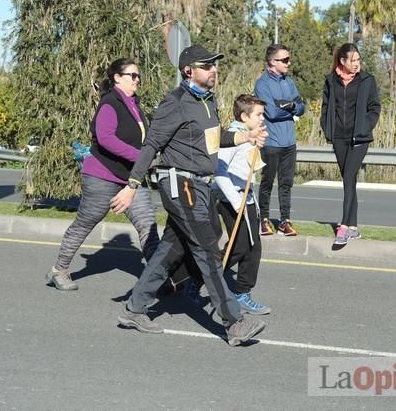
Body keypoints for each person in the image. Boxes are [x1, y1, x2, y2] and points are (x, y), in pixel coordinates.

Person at [111, 44, 268, 346]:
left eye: (215, 65)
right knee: (207, 251)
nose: (214, 70)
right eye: (207, 66)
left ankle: (134, 308)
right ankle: (234, 323)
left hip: (199, 185)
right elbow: (151, 145)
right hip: (179, 184)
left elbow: (214, 138)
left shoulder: (208, 102)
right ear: (188, 71)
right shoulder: (175, 102)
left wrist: (245, 136)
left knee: (170, 250)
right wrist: (131, 186)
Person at [45, 58, 159, 291]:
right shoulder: (110, 102)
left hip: (131, 178)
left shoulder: (135, 105)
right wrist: (139, 156)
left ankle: (157, 278)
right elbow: (105, 138)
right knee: (86, 222)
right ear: (117, 78)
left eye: (139, 76)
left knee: (148, 224)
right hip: (102, 176)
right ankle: (59, 270)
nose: (137, 80)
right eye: (132, 76)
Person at [213, 94, 270, 315]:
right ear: (245, 116)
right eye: (258, 114)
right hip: (232, 199)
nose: (262, 118)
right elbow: (219, 172)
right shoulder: (234, 136)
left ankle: (242, 293)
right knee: (238, 248)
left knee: (254, 247)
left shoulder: (250, 136)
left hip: (248, 199)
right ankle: (201, 278)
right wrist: (237, 202)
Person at [320, 43, 381, 247]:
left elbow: (374, 107)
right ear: (342, 61)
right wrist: (326, 127)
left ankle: (344, 227)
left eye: (358, 60)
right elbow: (326, 107)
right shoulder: (331, 81)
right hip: (338, 137)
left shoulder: (367, 80)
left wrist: (366, 125)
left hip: (359, 138)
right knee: (349, 181)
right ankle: (354, 227)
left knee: (348, 177)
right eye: (352, 60)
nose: (356, 64)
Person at [254, 44, 305, 237]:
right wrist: (291, 107)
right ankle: (264, 220)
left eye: (288, 59)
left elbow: (302, 107)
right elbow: (272, 113)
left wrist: (290, 105)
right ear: (272, 62)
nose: (288, 63)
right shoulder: (262, 84)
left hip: (289, 142)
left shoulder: (289, 82)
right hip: (271, 142)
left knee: (286, 184)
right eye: (284, 60)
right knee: (267, 182)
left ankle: (285, 221)